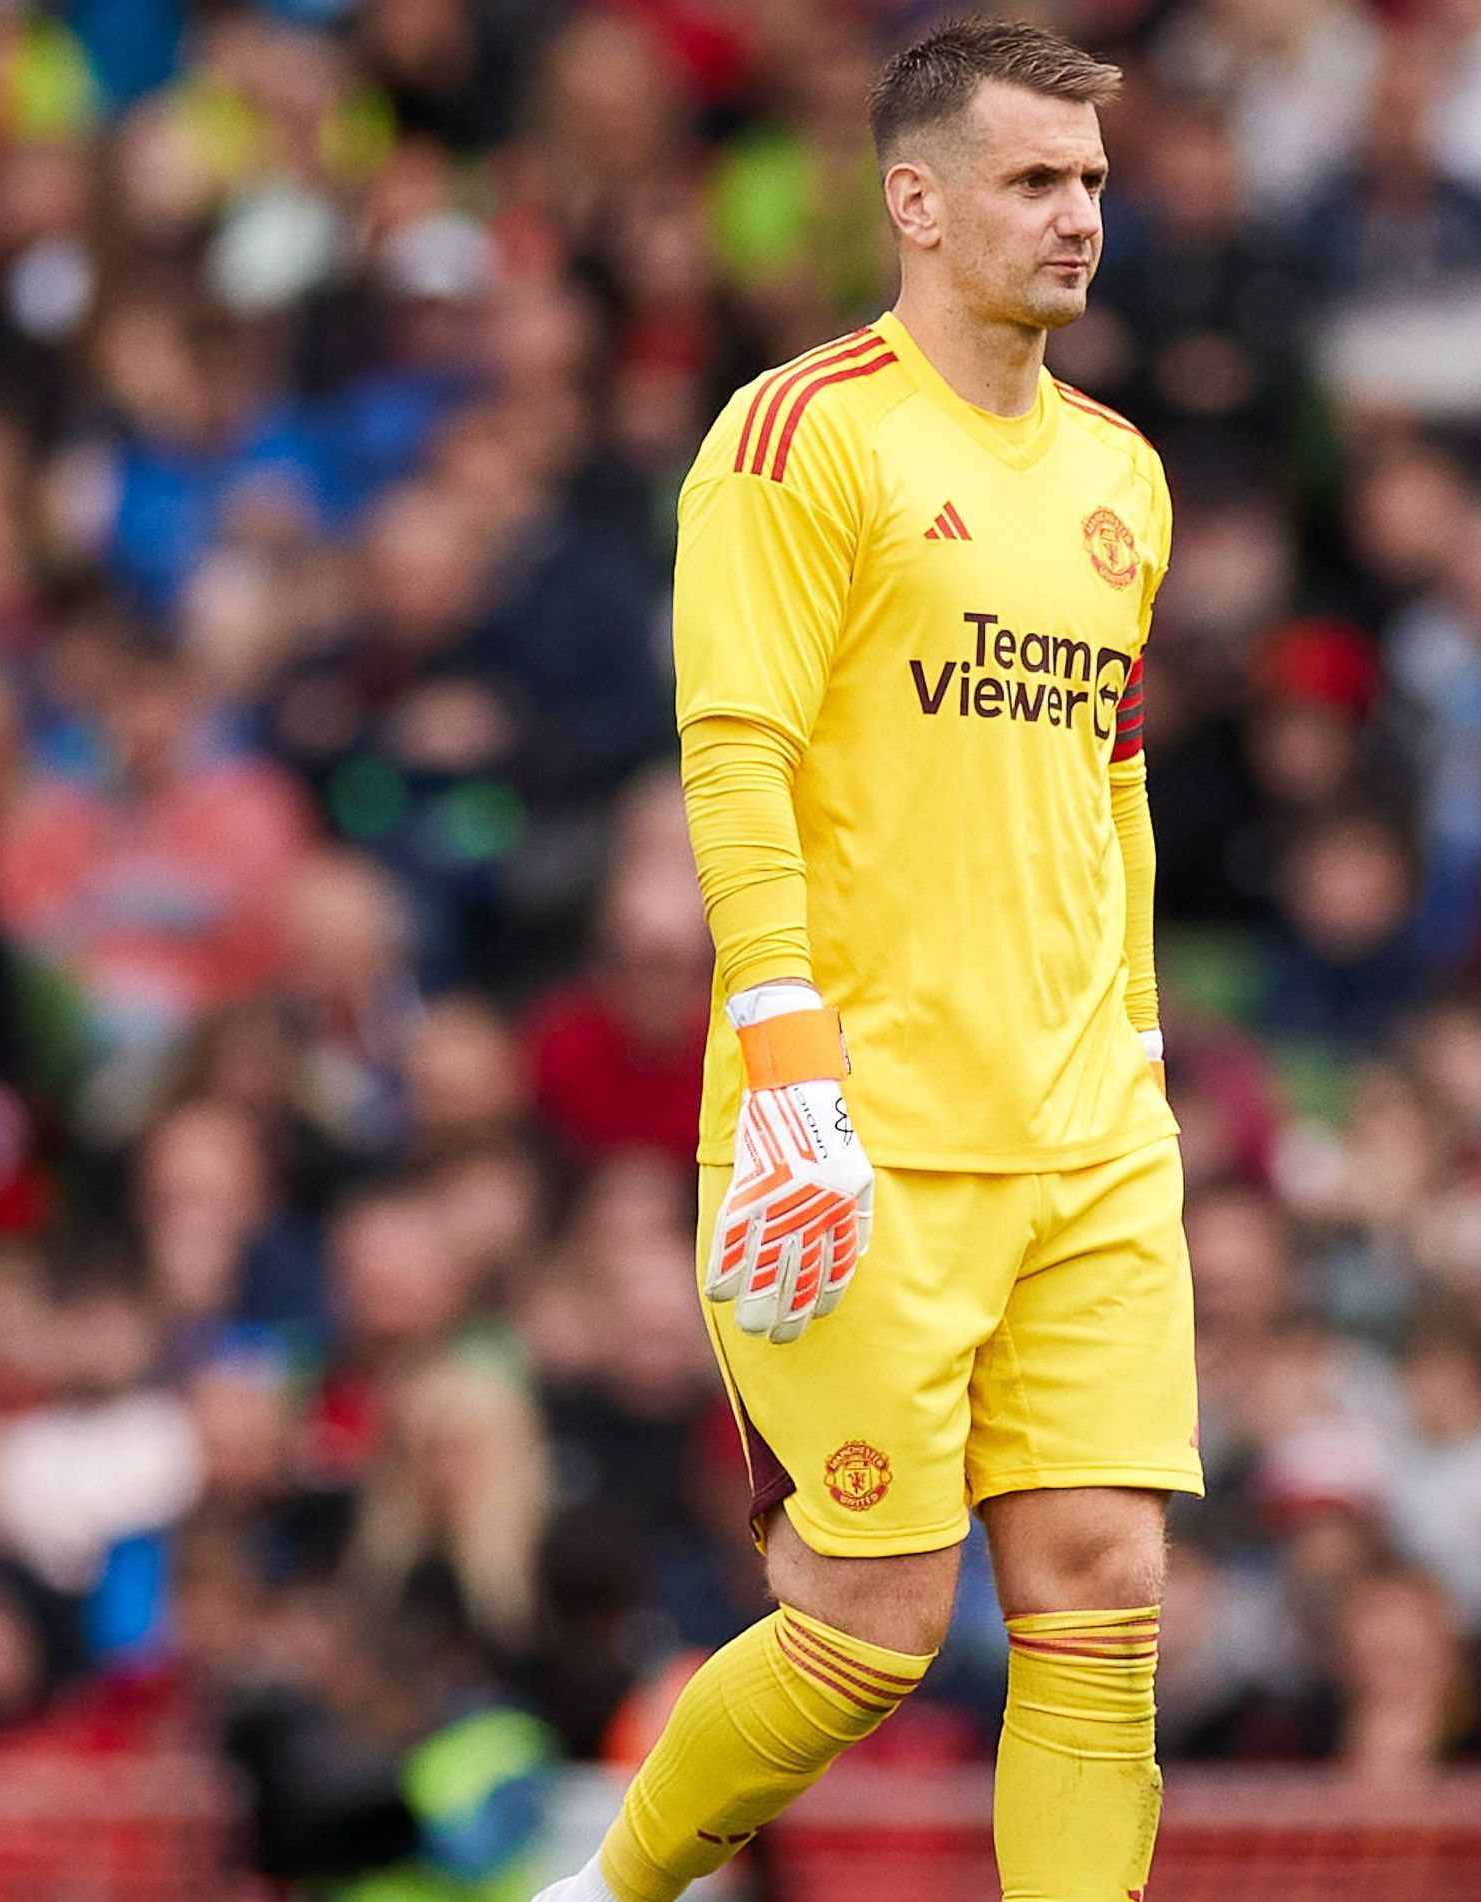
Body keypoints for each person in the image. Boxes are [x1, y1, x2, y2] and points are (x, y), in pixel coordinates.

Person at [532, 20, 1192, 1902]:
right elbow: (730, 755)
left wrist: (1135, 1047)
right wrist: (789, 1063)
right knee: (867, 1634)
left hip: (1085, 1134)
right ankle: (606, 1890)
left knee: (1101, 1599)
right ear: (914, 200)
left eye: (1088, 182)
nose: (1076, 218)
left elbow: (1112, 786)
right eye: (1030, 181)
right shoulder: (799, 434)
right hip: (865, 1130)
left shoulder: (1124, 476)